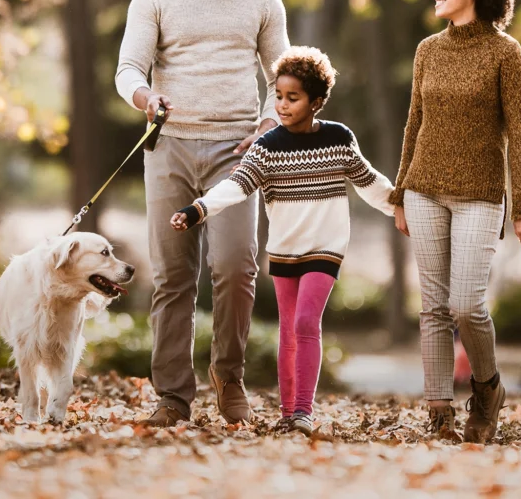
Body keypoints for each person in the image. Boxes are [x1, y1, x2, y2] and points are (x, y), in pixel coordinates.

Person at [115, 0, 290, 427]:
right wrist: (148, 98)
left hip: (236, 154)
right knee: (172, 276)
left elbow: (283, 76)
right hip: (169, 147)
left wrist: (267, 124)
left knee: (236, 266)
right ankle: (172, 394)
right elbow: (128, 71)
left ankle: (230, 377)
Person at [170, 47, 396, 436]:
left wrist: (402, 207)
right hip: (284, 249)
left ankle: (303, 412)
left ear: (317, 102)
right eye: (278, 96)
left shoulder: (338, 138)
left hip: (325, 247)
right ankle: (289, 414)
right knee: (289, 329)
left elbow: (369, 182)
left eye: (293, 98)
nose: (283, 105)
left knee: (307, 321)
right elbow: (237, 186)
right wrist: (198, 209)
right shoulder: (268, 146)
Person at [390, 0, 521, 444]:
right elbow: (414, 124)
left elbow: (520, 134)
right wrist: (399, 192)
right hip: (424, 190)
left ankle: (487, 386)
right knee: (432, 306)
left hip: (480, 195)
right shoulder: (427, 50)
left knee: (466, 306)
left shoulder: (506, 54)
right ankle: (439, 413)